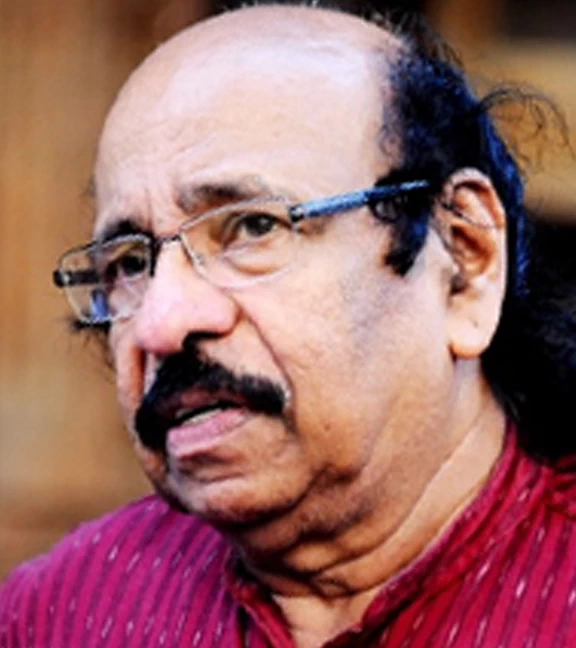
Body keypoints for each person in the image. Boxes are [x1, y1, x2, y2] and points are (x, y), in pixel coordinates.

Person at [1, 4, 575, 647]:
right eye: (130, 264)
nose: (161, 323)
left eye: (252, 227)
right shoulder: (59, 613)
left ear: (463, 260)